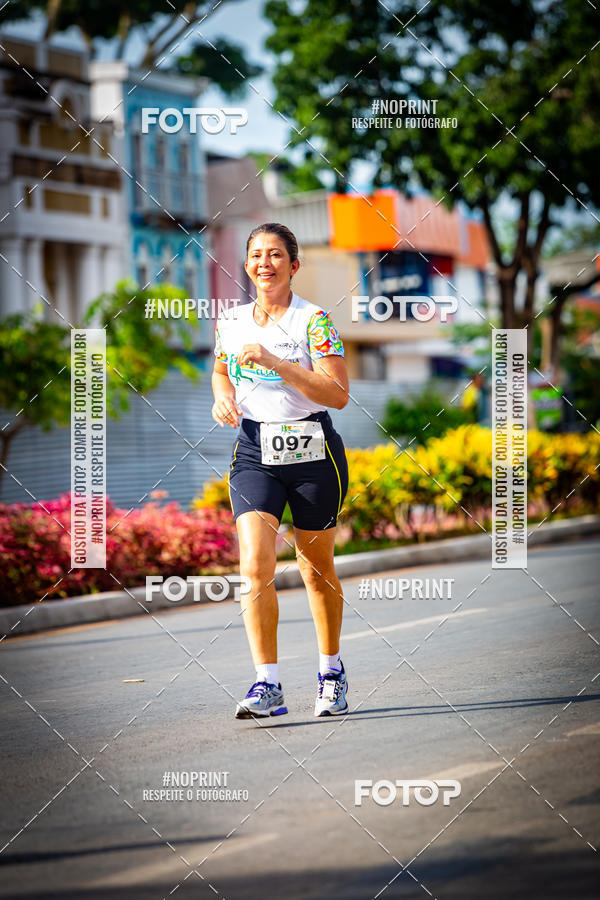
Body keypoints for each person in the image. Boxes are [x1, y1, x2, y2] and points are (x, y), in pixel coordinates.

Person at [211, 222, 350, 719]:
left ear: (294, 265)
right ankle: (267, 684)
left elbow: (338, 395)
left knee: (316, 571)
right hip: (254, 453)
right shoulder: (230, 321)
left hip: (313, 452)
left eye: (275, 255)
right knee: (254, 566)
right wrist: (222, 398)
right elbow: (221, 370)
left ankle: (331, 672)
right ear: (246, 264)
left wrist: (274, 360)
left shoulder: (316, 322)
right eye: (255, 255)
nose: (263, 263)